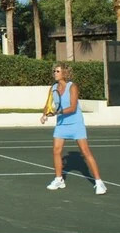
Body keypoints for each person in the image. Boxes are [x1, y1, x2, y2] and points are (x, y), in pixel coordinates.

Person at [41, 63, 107, 195]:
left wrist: (56, 112)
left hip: (76, 124)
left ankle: (99, 183)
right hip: (61, 125)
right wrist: (44, 115)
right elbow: (48, 104)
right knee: (56, 151)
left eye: (58, 71)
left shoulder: (72, 87)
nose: (55, 73)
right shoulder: (53, 88)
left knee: (85, 152)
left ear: (64, 73)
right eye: (54, 71)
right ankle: (59, 179)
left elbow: (72, 107)